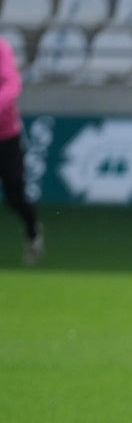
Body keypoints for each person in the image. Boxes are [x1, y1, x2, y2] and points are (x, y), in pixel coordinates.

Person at [0, 36, 45, 266]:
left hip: (5, 136)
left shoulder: (1, 48)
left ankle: (33, 232)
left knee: (15, 194)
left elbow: (12, 84)